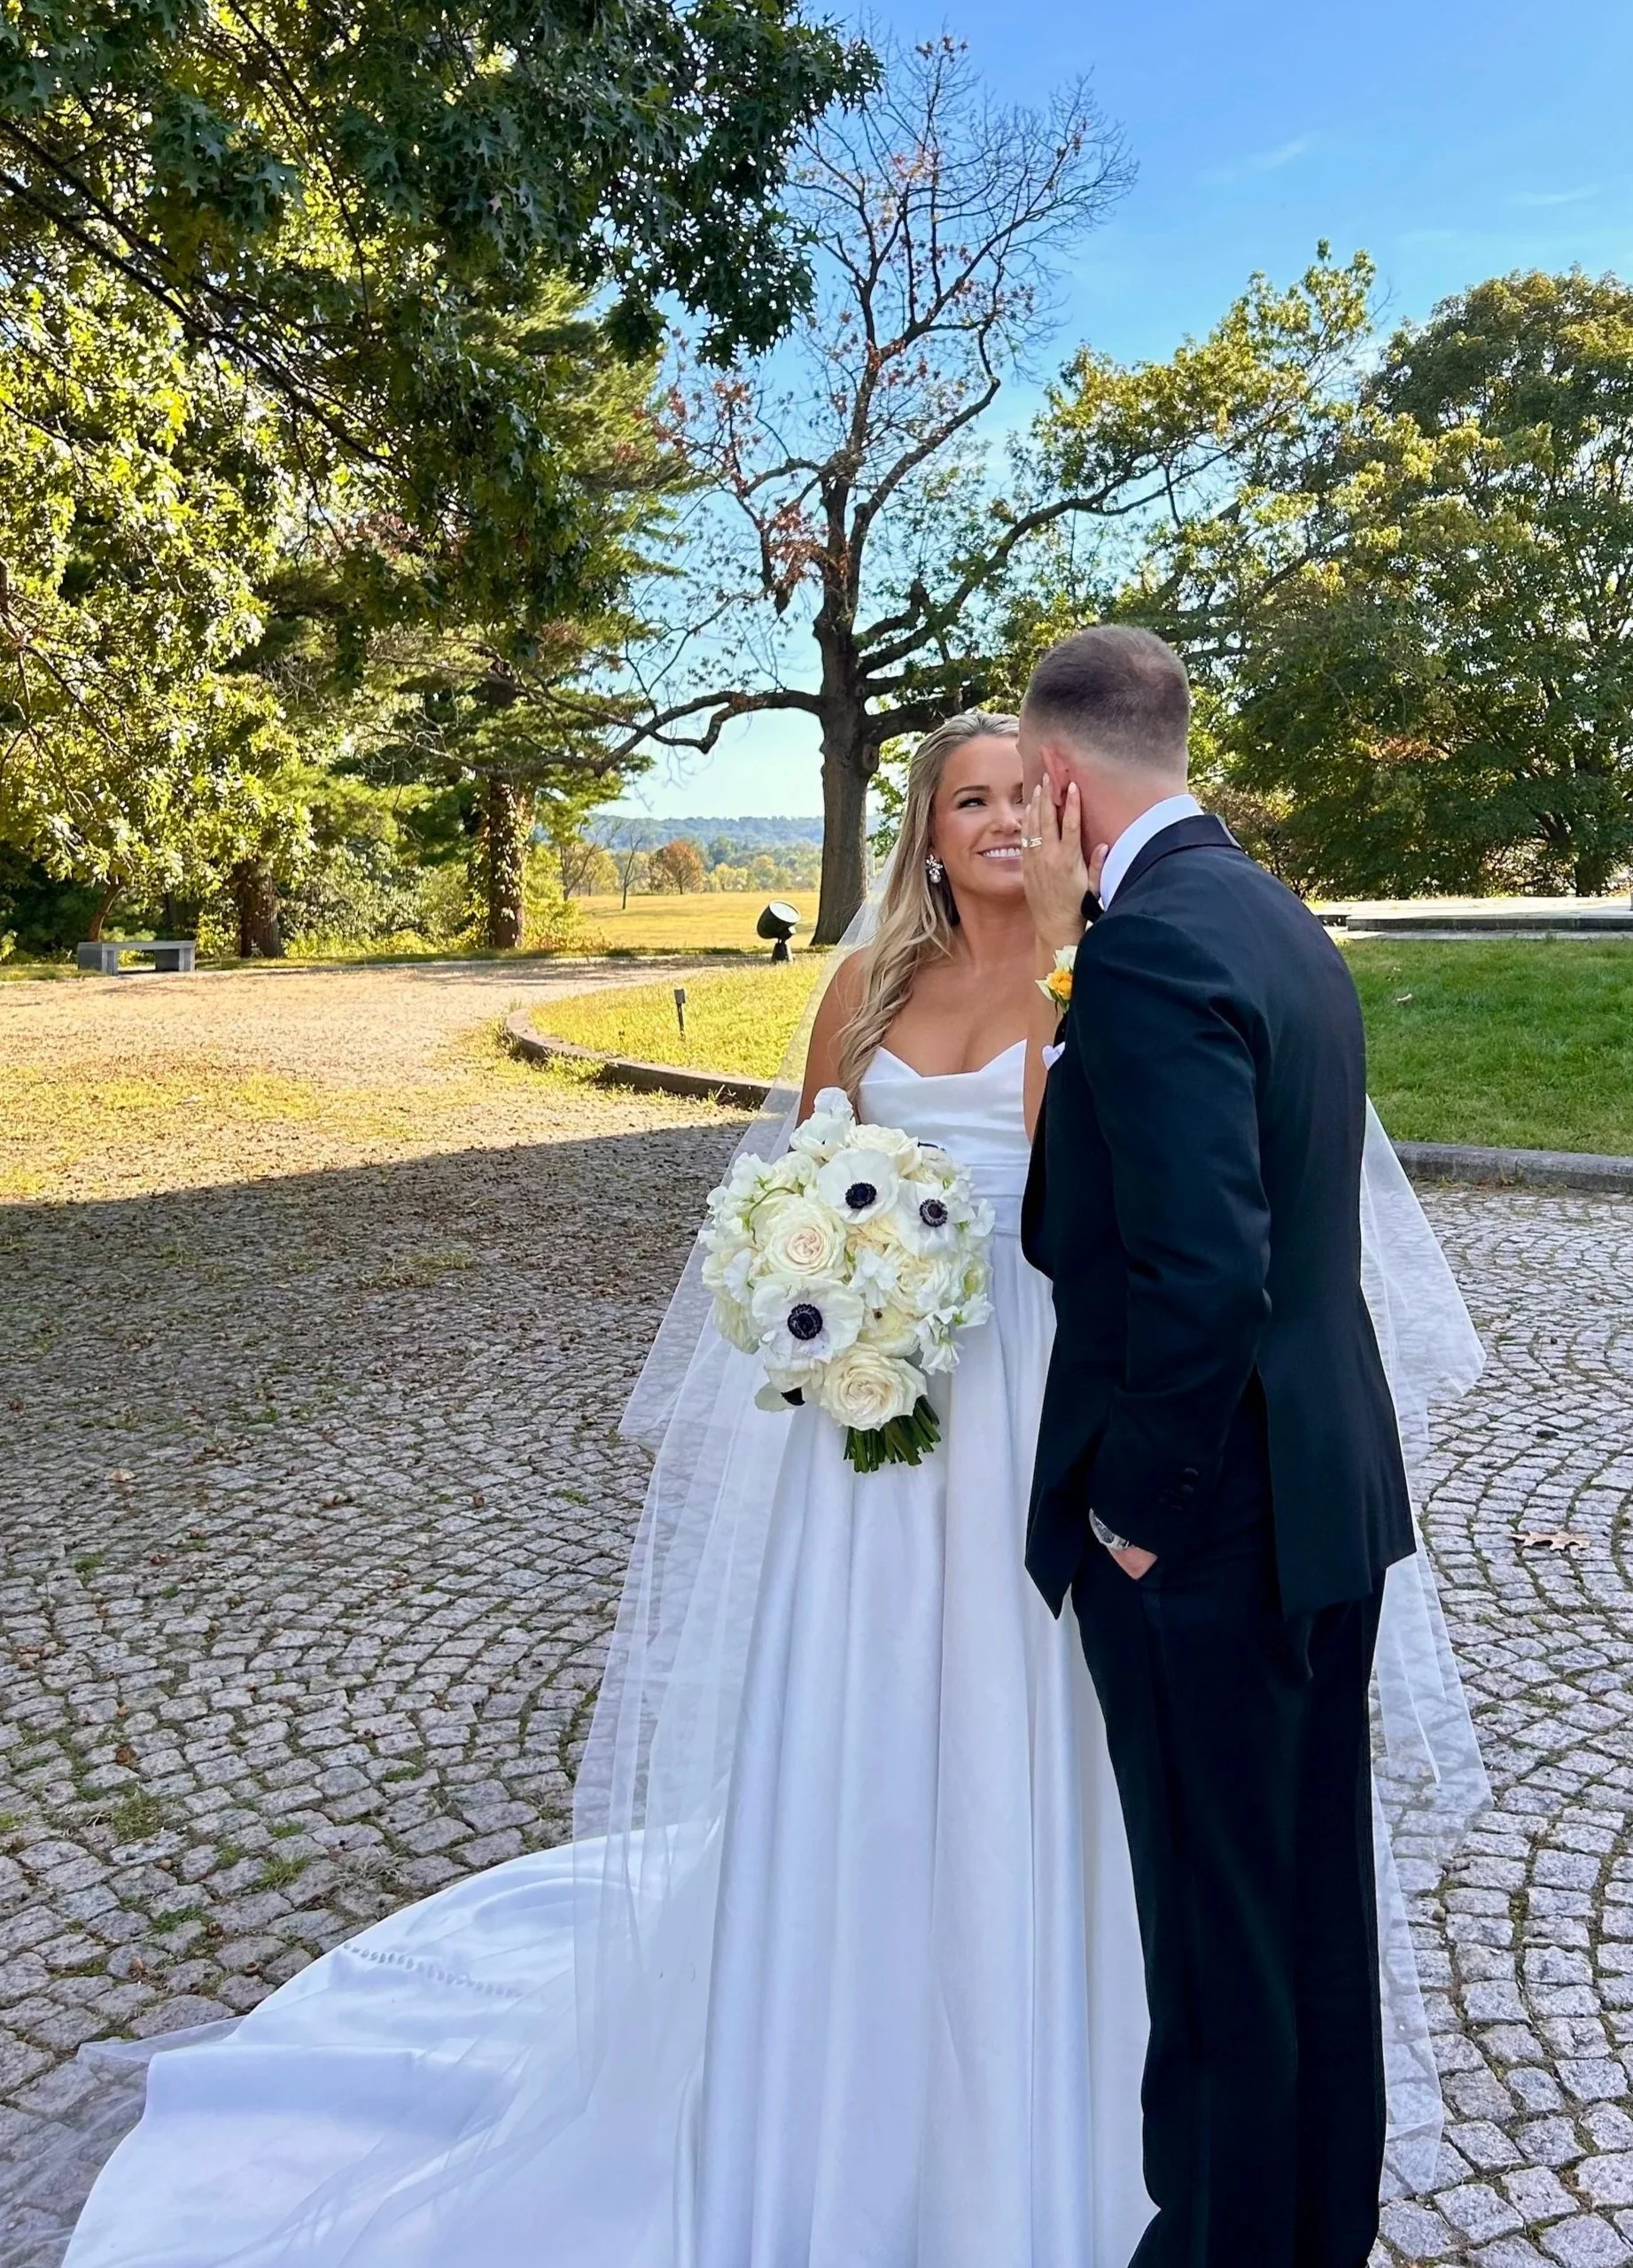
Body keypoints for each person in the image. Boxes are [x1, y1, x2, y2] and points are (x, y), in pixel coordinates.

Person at [61, 705, 1482, 2268]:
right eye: (969, 801)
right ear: (927, 832)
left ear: (1066, 802)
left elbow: (1099, 1194)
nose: (1003, 821)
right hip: (887, 1421)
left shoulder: (1105, 963)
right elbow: (807, 1174)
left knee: (1059, 1748)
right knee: (867, 1724)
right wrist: (843, 1299)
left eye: (1024, 792)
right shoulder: (863, 989)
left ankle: (1078, 2098)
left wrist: (1070, 956)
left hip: (1040, 1396)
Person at [1018, 627, 1411, 2268]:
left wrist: (1132, 1514)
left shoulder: (1148, 946)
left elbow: (1205, 1269)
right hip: (1325, 1500)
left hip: (1214, 1529)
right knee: (1310, 1922)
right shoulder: (1271, 917)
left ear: (1056, 782)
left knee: (1217, 1950)